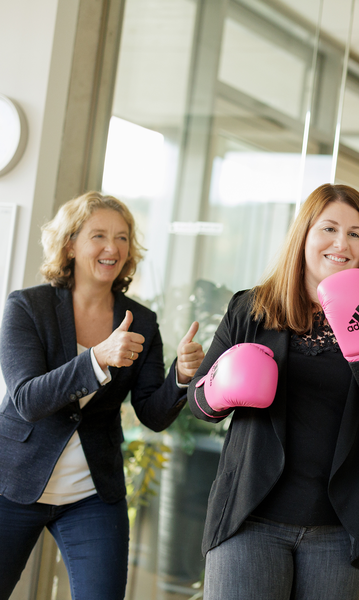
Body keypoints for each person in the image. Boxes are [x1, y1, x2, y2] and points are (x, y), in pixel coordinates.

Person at [189, 183, 359, 600]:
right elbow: (198, 404)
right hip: (249, 519)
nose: (341, 243)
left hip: (337, 531)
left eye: (355, 233)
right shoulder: (251, 309)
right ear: (304, 235)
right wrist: (221, 388)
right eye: (328, 228)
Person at [0, 192, 205, 600]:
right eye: (99, 236)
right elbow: (27, 400)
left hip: (91, 495)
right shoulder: (26, 307)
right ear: (71, 244)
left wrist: (181, 377)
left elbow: (152, 413)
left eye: (123, 237)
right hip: (13, 484)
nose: (113, 248)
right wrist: (96, 359)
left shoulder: (142, 320)